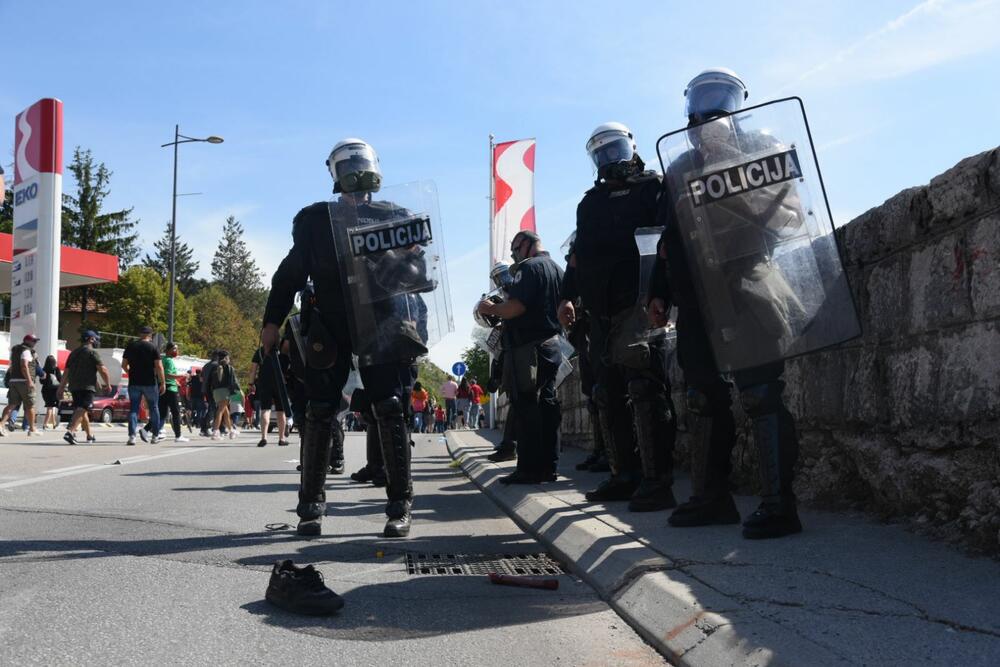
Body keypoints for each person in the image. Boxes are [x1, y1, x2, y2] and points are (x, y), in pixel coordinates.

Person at [262, 138, 446, 538]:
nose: (355, 174)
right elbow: (289, 275)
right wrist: (272, 321)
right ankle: (310, 507)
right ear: (335, 174)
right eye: (348, 166)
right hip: (330, 322)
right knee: (320, 409)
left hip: (382, 322)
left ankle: (400, 505)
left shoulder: (395, 216)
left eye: (360, 165)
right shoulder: (316, 221)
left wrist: (408, 253)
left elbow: (420, 278)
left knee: (391, 406)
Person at [648, 68, 802, 539]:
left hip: (749, 279)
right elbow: (667, 237)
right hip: (696, 291)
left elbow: (793, 217)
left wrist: (731, 162)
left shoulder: (760, 148)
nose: (709, 109)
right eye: (701, 99)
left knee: (760, 391)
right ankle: (712, 497)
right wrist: (657, 290)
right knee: (702, 397)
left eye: (720, 97)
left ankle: (780, 504)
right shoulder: (676, 167)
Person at [558, 122, 677, 513]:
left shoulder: (652, 188)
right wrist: (567, 295)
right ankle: (624, 473)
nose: (610, 159)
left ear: (631, 147)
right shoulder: (589, 203)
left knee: (644, 387)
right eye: (602, 153)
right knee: (606, 393)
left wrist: (660, 292)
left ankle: (657, 481)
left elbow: (665, 241)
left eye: (615, 149)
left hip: (638, 300)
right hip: (599, 308)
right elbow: (578, 256)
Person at [477, 230, 564, 484]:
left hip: (528, 348)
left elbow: (516, 307)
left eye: (515, 247)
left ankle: (528, 469)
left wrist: (491, 309)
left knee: (526, 407)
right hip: (552, 345)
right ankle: (549, 467)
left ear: (527, 244)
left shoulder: (528, 269)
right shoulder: (557, 269)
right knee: (548, 405)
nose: (513, 252)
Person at [58, 331, 110, 445]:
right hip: (87, 387)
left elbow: (66, 372)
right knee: (83, 408)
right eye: (96, 339)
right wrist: (108, 383)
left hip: (74, 386)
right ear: (91, 339)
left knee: (82, 410)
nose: (97, 341)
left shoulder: (73, 353)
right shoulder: (92, 352)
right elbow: (103, 370)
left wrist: (61, 388)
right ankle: (70, 432)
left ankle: (89, 435)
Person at [143, 342, 188, 443]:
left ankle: (145, 430)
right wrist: (181, 376)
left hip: (164, 388)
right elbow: (167, 375)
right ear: (168, 350)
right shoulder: (168, 361)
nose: (176, 351)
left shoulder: (164, 360)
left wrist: (176, 380)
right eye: (174, 349)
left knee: (162, 414)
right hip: (170, 389)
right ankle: (178, 436)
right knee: (176, 412)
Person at [249, 346, 290, 447]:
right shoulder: (282, 350)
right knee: (281, 411)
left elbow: (253, 369)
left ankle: (264, 437)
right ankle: (281, 438)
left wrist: (251, 383)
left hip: (264, 383)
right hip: (280, 383)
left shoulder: (261, 351)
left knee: (265, 410)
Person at [3, 334, 41, 436]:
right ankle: (32, 429)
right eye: (33, 341)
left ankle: (1, 426)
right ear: (27, 341)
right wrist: (29, 381)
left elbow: (13, 366)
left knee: (12, 404)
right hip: (24, 381)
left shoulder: (15, 350)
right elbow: (24, 366)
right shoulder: (26, 351)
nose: (35, 343)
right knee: (30, 406)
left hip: (14, 380)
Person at [207, 350, 239, 440]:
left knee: (225, 412)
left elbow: (210, 381)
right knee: (220, 411)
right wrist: (238, 390)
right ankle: (215, 431)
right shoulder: (228, 367)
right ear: (226, 358)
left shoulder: (214, 367)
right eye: (228, 358)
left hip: (216, 392)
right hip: (225, 391)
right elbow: (233, 381)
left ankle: (231, 430)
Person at [41, 355, 62, 430]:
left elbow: (41, 381)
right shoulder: (56, 369)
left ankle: (54, 424)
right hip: (54, 390)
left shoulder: (43, 370)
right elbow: (60, 379)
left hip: (45, 390)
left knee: (51, 407)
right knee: (50, 407)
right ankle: (45, 424)